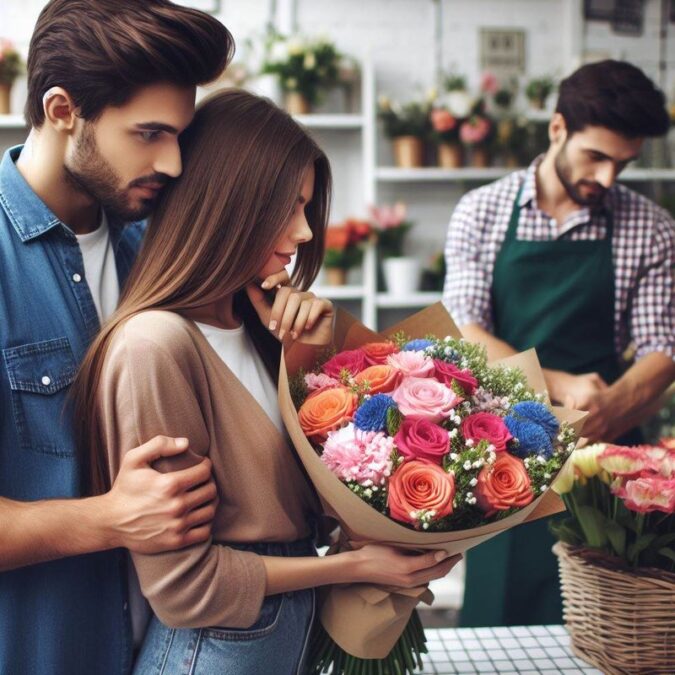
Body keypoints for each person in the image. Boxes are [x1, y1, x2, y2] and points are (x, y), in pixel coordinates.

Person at [71, 89, 461, 675]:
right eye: (288, 205)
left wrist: (315, 357)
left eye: (307, 207)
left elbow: (308, 499)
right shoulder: (155, 345)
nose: (305, 231)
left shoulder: (256, 329)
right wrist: (352, 568)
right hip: (217, 650)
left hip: (281, 638)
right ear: (227, 204)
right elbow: (184, 589)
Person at [0, 1, 234, 672]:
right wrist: (108, 518)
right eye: (149, 133)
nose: (175, 162)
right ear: (62, 109)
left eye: (180, 135)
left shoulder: (161, 250)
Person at [443, 60, 675, 627]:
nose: (609, 178)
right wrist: (557, 383)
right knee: (501, 624)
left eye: (623, 163)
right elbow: (463, 329)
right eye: (595, 157)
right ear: (557, 129)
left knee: (615, 627)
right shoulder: (483, 212)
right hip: (502, 451)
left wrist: (609, 411)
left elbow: (662, 349)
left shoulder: (650, 227)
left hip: (607, 459)